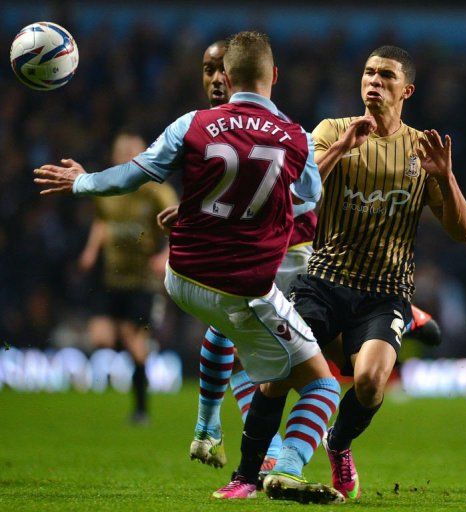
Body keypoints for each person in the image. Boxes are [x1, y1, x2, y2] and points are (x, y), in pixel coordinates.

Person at [34, 31, 344, 504]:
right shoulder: (297, 138)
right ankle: (285, 466)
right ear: (274, 76)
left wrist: (81, 181)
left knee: (230, 336)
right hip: (245, 287)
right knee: (321, 385)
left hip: (180, 278)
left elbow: (132, 175)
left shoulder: (192, 125)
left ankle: (207, 427)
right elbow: (308, 199)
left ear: (227, 76)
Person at [287, 45, 466, 500]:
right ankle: (266, 464)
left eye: (386, 75)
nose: (374, 81)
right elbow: (297, 192)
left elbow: (462, 231)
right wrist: (343, 149)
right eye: (369, 73)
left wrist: (445, 178)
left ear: (406, 89)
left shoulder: (421, 149)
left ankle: (338, 442)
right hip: (325, 280)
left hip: (384, 291)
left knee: (369, 384)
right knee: (285, 369)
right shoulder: (332, 130)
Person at [157, 40, 318, 481]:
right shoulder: (208, 130)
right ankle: (267, 452)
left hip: (294, 254)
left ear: (236, 74)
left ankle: (234, 436)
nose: (213, 81)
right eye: (206, 70)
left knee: (306, 363)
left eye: (219, 71)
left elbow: (306, 183)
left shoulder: (280, 126)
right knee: (236, 337)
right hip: (254, 263)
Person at [78, 131, 178, 423]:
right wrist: (90, 251)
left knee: (135, 341)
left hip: (144, 280)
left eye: (132, 151)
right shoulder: (108, 190)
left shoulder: (155, 189)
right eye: (121, 151)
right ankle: (134, 351)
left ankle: (141, 409)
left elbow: (181, 219)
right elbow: (101, 221)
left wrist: (166, 255)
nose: (126, 156)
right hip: (113, 277)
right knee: (100, 337)